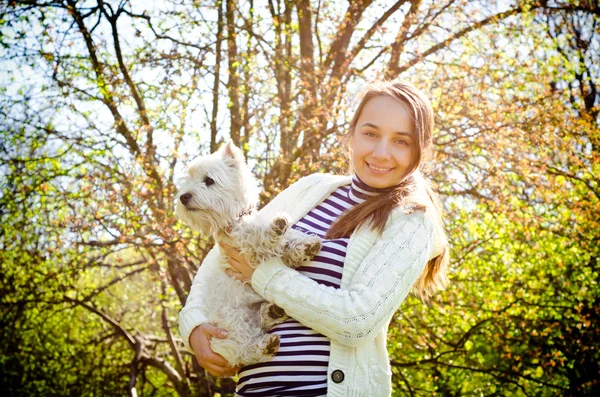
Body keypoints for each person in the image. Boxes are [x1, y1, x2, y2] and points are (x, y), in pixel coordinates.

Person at [179, 80, 450, 397]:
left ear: (420, 148)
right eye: (371, 133)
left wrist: (263, 276)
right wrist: (194, 324)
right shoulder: (311, 188)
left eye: (401, 141)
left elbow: (356, 321)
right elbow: (225, 250)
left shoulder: (411, 221)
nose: (381, 152)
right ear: (351, 134)